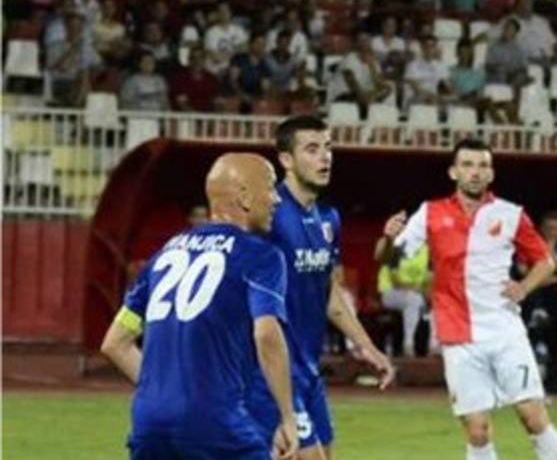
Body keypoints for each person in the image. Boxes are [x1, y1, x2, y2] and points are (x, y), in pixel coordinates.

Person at [99, 152, 299, 460]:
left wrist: (164, 394)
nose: (276, 199)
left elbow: (115, 343)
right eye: (271, 187)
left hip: (150, 423)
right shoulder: (261, 256)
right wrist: (288, 417)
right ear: (244, 197)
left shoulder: (164, 254)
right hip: (214, 422)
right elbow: (266, 335)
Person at [386, 139, 557, 460]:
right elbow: (392, 259)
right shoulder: (430, 212)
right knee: (477, 430)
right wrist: (388, 239)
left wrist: (524, 287)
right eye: (468, 165)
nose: (475, 172)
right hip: (458, 334)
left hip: (505, 330)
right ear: (453, 171)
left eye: (483, 165)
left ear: (491, 173)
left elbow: (546, 262)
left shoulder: (510, 214)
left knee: (533, 417)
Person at [245, 116, 395, 459]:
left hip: (308, 369)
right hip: (271, 371)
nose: (325, 157)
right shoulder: (269, 214)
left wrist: (367, 347)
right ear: (286, 159)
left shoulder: (328, 218)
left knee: (325, 453)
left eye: (327, 148)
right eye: (312, 149)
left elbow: (329, 293)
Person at [374, 211, 437, 358]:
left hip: (418, 292)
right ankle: (409, 344)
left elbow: (430, 276)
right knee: (413, 299)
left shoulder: (424, 248)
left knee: (436, 300)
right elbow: (395, 278)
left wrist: (430, 291)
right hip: (391, 292)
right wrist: (389, 238)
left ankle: (434, 345)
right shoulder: (392, 244)